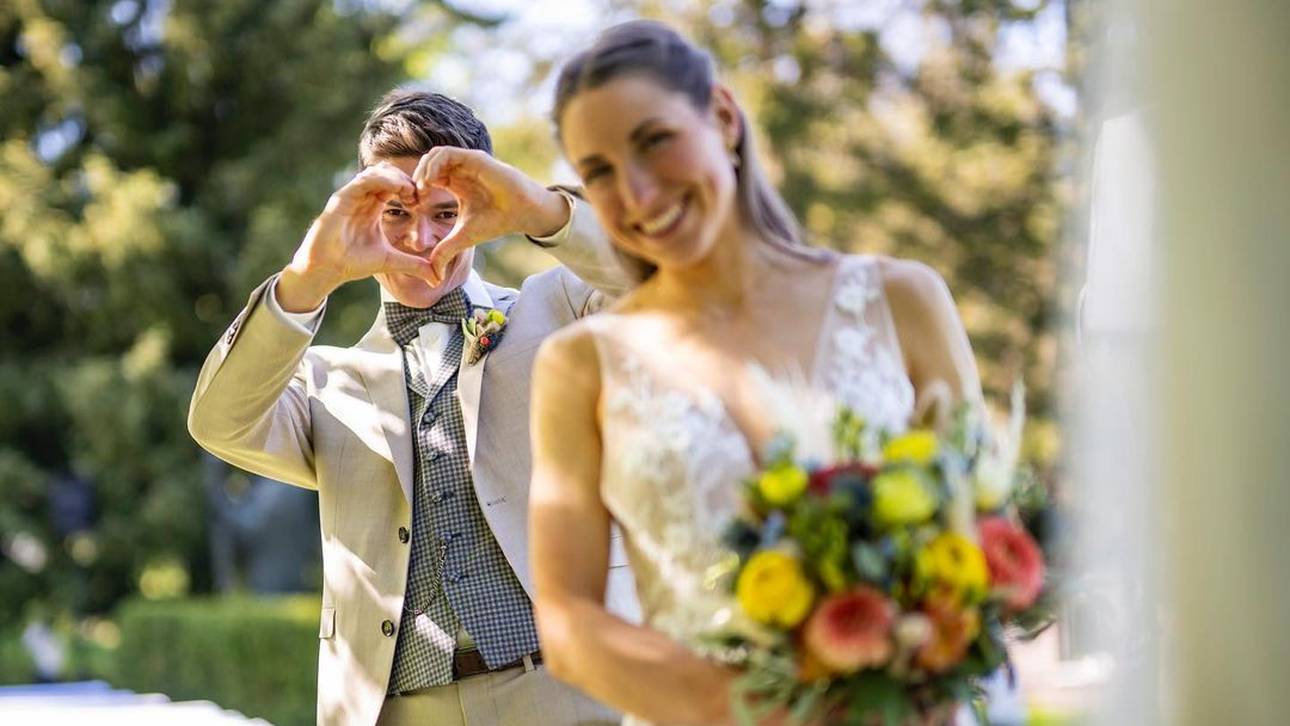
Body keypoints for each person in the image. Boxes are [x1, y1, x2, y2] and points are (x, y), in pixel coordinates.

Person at [528, 21, 983, 725]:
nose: (640, 194)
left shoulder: (901, 301)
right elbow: (567, 625)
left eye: (655, 142)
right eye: (600, 172)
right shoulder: (579, 363)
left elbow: (981, 544)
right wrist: (762, 711)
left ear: (723, 117)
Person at [188, 88, 637, 726]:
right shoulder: (324, 379)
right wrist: (309, 274)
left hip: (566, 691)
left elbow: (664, 283)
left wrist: (539, 210)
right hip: (398, 709)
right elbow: (218, 421)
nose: (422, 240)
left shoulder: (561, 308)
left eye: (445, 212)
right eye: (395, 213)